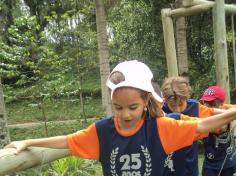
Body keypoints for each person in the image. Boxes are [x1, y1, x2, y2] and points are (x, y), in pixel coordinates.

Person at [4, 60, 236, 176]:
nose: (126, 114)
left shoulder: (161, 128)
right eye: (118, 107)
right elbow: (67, 141)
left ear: (147, 101)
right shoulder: (102, 131)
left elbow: (203, 124)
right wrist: (29, 142)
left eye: (133, 107)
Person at [160, 76, 224, 176]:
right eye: (172, 106)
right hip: (167, 166)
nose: (177, 110)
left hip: (190, 166)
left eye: (181, 104)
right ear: (165, 100)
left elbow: (219, 112)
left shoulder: (195, 107)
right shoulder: (160, 110)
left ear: (187, 97)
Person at [200, 85, 236, 176]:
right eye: (205, 102)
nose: (207, 106)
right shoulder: (204, 113)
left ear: (221, 104)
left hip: (228, 163)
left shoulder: (225, 112)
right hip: (210, 165)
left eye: (211, 103)